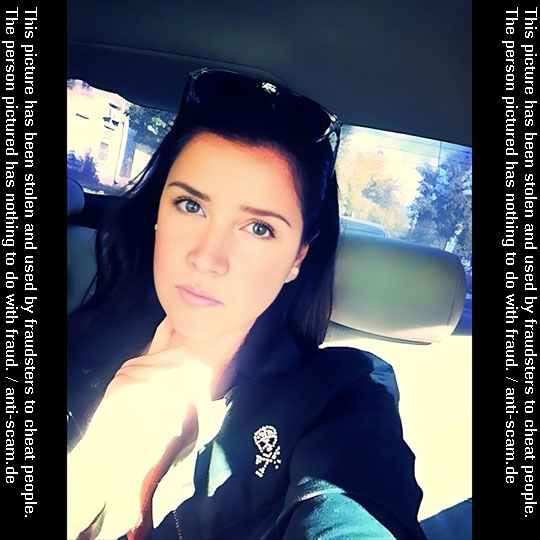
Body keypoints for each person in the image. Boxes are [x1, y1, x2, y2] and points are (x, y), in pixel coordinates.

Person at [67, 68, 427, 540]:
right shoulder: (75, 338)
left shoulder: (341, 399)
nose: (207, 258)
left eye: (259, 228)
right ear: (158, 214)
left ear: (297, 258)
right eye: (190, 206)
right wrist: (91, 467)